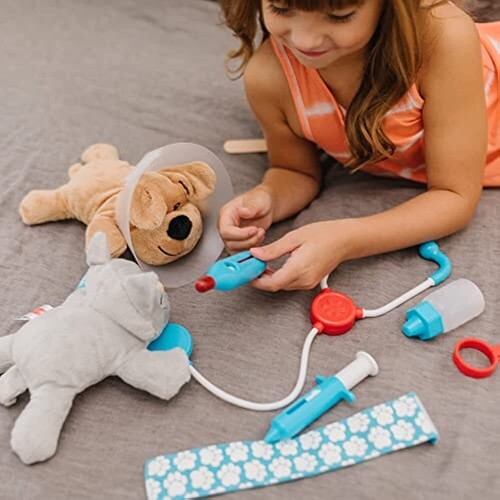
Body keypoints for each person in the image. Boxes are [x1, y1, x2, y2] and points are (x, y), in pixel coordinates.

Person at [217, 0, 499, 292]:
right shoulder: (269, 77)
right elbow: (294, 171)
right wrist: (267, 199)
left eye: (339, 16)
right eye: (280, 8)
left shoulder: (444, 38)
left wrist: (347, 239)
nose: (304, 40)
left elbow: (454, 196)